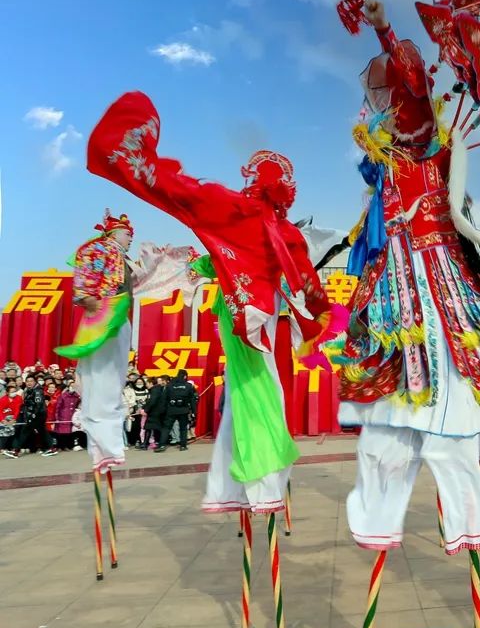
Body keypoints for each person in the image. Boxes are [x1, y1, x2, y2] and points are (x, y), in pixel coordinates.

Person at [331, 0, 480, 558]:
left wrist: (384, 29)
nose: (393, 111)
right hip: (395, 279)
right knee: (391, 409)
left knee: (449, 386)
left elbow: (415, 86)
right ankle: (384, 508)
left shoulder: (432, 149)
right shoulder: (387, 167)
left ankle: (462, 511)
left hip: (437, 272)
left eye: (399, 99)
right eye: (385, 103)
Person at [86, 91, 332, 513]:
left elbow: (179, 190)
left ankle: (240, 488)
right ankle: (257, 486)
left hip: (243, 318)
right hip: (255, 320)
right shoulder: (280, 230)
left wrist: (139, 157)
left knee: (251, 394)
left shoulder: (236, 210)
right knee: (258, 392)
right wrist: (324, 318)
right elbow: (310, 287)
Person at [56, 211, 136, 473]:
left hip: (118, 316)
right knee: (102, 379)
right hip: (105, 315)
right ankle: (104, 447)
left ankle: (107, 446)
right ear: (114, 233)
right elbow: (83, 274)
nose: (131, 239)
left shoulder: (123, 258)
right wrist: (87, 297)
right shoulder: (100, 248)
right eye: (128, 234)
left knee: (114, 380)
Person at [165, 370, 197, 451]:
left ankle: (161, 445)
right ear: (185, 376)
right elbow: (192, 400)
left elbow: (165, 398)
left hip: (171, 409)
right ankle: (183, 445)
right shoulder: (188, 386)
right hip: (183, 410)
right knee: (183, 428)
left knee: (167, 427)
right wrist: (194, 412)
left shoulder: (170, 385)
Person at [16, 374, 48, 455]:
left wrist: (33, 415)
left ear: (35, 382)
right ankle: (51, 448)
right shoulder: (28, 390)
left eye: (31, 381)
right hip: (33, 414)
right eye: (27, 381)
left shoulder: (37, 391)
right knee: (42, 432)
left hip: (38, 414)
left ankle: (16, 450)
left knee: (25, 431)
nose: (29, 383)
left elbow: (38, 404)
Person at [142, 376, 170, 451]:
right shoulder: (157, 389)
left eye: (147, 383)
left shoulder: (155, 390)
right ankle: (149, 443)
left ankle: (146, 444)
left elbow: (152, 401)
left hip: (154, 412)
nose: (146, 385)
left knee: (149, 427)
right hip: (156, 411)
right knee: (153, 428)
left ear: (151, 383)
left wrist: (146, 410)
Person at [52, 381, 81, 451]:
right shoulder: (63, 396)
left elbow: (78, 405)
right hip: (62, 416)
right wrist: (57, 417)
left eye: (74, 386)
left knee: (69, 432)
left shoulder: (77, 396)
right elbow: (58, 407)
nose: (73, 388)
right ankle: (61, 446)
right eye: (71, 386)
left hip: (72, 416)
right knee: (61, 432)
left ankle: (68, 445)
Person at [1, 382, 22, 457]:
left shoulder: (19, 398)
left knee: (13, 430)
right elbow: (0, 411)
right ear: (7, 392)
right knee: (3, 430)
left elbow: (17, 410)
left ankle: (15, 449)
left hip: (15, 417)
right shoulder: (3, 399)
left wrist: (14, 419)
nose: (14, 393)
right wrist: (3, 420)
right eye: (12, 392)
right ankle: (2, 448)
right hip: (4, 417)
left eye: (15, 391)